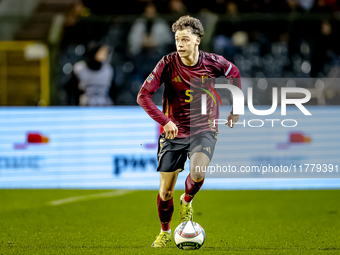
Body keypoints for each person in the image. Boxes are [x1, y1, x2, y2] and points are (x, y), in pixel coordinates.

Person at [136, 15, 241, 247]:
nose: (180, 44)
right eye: (177, 39)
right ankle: (165, 231)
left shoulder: (213, 62)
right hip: (174, 132)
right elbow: (142, 96)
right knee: (165, 192)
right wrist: (165, 121)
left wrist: (237, 108)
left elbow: (234, 73)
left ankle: (187, 199)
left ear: (197, 40)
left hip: (204, 128)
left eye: (185, 39)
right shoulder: (167, 63)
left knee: (198, 171)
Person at [66, 41, 115, 106]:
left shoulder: (108, 70)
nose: (105, 54)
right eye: (102, 52)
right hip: (85, 107)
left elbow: (114, 90)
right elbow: (71, 90)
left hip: (105, 107)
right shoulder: (80, 69)